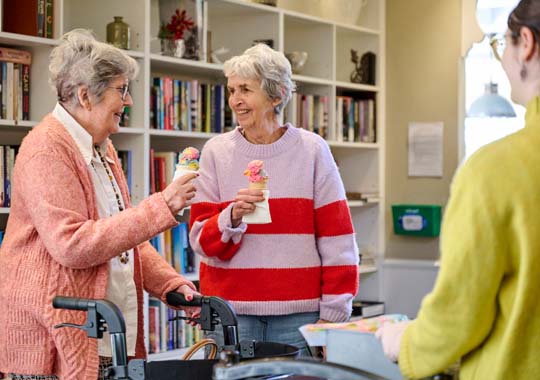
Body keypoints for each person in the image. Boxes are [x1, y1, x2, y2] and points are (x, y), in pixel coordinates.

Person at [0, 29, 200, 380]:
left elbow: (124, 239)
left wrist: (170, 282)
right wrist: (161, 206)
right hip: (52, 344)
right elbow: (72, 244)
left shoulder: (102, 149)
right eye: (121, 90)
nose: (129, 101)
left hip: (105, 333)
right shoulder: (47, 149)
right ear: (85, 96)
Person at [376, 1, 540, 378]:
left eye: (503, 45)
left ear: (526, 44)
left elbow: (459, 315)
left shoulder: (495, 170)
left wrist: (403, 341)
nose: (502, 59)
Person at [189, 43, 359, 355]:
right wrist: (232, 217)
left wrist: (333, 316)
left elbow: (338, 241)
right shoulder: (215, 151)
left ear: (277, 95)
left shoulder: (313, 150)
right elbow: (201, 241)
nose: (235, 100)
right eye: (232, 90)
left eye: (245, 90)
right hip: (230, 314)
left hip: (300, 318)